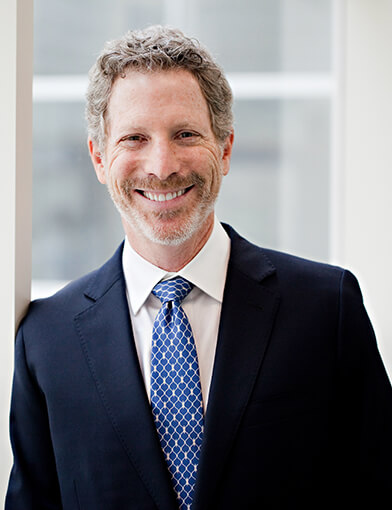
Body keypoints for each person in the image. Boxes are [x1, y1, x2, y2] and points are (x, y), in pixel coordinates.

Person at [5, 25, 392, 510]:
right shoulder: (46, 340)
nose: (162, 165)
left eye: (185, 133)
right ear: (100, 158)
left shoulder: (325, 308)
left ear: (225, 148)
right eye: (134, 138)